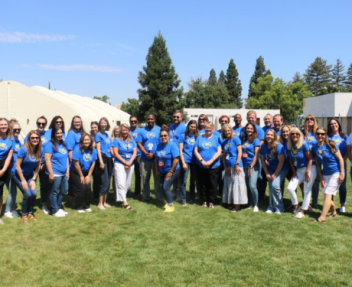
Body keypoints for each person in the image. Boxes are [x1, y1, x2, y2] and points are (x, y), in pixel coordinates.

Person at [312, 127, 344, 223]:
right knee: (327, 197)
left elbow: (341, 159)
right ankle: (334, 212)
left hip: (335, 173)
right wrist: (321, 178)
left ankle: (322, 217)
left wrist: (342, 173)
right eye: (318, 134)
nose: (320, 136)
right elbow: (317, 164)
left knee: (327, 194)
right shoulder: (314, 147)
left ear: (325, 135)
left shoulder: (330, 144)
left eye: (322, 134)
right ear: (315, 135)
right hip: (325, 174)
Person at [286, 127, 316, 218]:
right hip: (299, 170)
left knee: (306, 189)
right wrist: (294, 172)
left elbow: (310, 159)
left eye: (297, 134)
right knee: (290, 188)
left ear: (300, 135)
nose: (295, 135)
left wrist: (307, 171)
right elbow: (291, 160)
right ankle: (296, 207)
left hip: (310, 168)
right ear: (290, 136)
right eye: (292, 134)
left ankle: (303, 211)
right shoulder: (289, 145)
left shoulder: (303, 144)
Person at [13, 130, 42, 222]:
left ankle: (30, 212)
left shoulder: (39, 150)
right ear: (29, 139)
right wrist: (23, 180)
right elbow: (17, 165)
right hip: (18, 174)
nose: (35, 139)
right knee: (28, 194)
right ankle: (24, 214)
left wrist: (33, 179)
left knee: (33, 194)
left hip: (30, 175)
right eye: (32, 138)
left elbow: (38, 167)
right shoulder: (23, 149)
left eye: (36, 138)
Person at [194, 121, 222, 209]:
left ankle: (211, 202)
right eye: (206, 128)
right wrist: (202, 161)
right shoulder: (199, 138)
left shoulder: (217, 138)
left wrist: (210, 161)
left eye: (210, 128)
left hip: (214, 165)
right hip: (201, 165)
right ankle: (204, 201)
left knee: (212, 184)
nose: (208, 129)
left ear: (212, 129)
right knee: (203, 183)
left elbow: (219, 151)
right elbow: (196, 151)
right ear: (204, 129)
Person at [260, 129, 288, 214]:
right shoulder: (263, 146)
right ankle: (271, 206)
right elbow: (262, 160)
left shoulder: (279, 146)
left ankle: (280, 207)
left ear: (274, 136)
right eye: (267, 135)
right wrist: (267, 173)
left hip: (282, 168)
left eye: (271, 135)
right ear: (265, 136)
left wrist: (275, 174)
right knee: (271, 187)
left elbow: (281, 162)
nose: (269, 136)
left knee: (275, 185)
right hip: (270, 169)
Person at [45, 127, 70, 217]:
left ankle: (58, 207)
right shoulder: (50, 144)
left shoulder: (63, 144)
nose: (59, 135)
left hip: (63, 173)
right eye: (57, 133)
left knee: (64, 190)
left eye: (61, 133)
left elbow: (66, 157)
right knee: (54, 192)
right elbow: (47, 159)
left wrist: (67, 170)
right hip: (55, 172)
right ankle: (55, 210)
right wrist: (51, 174)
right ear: (54, 134)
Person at [221, 124, 247, 212]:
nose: (227, 132)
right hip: (228, 167)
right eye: (225, 131)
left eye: (228, 131)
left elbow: (240, 152)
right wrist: (225, 167)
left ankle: (237, 205)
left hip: (237, 166)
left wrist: (237, 164)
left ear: (231, 131)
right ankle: (232, 203)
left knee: (237, 185)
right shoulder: (224, 142)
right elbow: (223, 156)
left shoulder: (236, 139)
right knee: (230, 186)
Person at [136, 114, 162, 202]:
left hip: (156, 158)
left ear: (154, 119)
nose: (150, 120)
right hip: (144, 158)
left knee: (157, 178)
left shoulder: (159, 129)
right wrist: (146, 153)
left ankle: (158, 197)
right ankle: (145, 197)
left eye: (151, 119)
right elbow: (139, 143)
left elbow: (161, 143)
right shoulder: (142, 130)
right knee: (144, 178)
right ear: (146, 120)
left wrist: (153, 154)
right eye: (148, 119)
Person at [155, 125, 180, 213]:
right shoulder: (158, 146)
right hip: (162, 170)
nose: (163, 137)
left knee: (166, 186)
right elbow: (156, 159)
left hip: (172, 170)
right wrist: (157, 170)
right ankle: (166, 202)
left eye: (165, 135)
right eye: (161, 136)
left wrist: (171, 172)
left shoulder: (172, 145)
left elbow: (176, 159)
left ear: (168, 136)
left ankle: (171, 205)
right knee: (161, 186)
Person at [111, 124, 137, 210]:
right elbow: (116, 153)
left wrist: (129, 162)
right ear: (120, 131)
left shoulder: (132, 140)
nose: (125, 132)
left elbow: (134, 153)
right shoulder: (116, 140)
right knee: (121, 183)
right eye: (123, 130)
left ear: (128, 131)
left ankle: (120, 198)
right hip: (119, 164)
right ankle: (125, 203)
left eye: (126, 130)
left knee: (127, 184)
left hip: (130, 164)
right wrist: (125, 162)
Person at [70, 133, 97, 213]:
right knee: (81, 188)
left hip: (86, 172)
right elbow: (76, 163)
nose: (86, 141)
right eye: (85, 140)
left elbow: (93, 163)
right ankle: (79, 206)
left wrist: (88, 175)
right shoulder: (77, 149)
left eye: (88, 140)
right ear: (82, 141)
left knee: (88, 187)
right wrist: (81, 176)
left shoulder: (93, 149)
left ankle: (87, 205)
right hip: (76, 172)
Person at [327, 118, 347, 213]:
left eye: (335, 123)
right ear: (329, 126)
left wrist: (342, 161)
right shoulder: (328, 137)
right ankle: (331, 204)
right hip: (332, 165)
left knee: (342, 185)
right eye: (331, 124)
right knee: (332, 185)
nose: (333, 125)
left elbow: (348, 151)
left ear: (338, 124)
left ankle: (342, 204)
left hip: (343, 164)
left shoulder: (344, 137)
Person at [301, 115, 320, 208]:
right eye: (307, 119)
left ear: (314, 120)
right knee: (305, 182)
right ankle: (306, 202)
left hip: (316, 160)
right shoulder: (302, 132)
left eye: (312, 119)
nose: (309, 120)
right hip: (305, 160)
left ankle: (315, 201)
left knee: (316, 182)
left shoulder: (317, 132)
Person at [4, 120, 22, 218]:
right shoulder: (9, 141)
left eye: (19, 129)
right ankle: (7, 211)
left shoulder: (18, 141)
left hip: (17, 171)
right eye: (15, 130)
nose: (17, 131)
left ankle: (12, 208)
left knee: (14, 191)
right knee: (12, 191)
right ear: (10, 130)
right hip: (10, 170)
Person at [241, 123, 261, 212]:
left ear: (254, 130)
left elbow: (256, 155)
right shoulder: (244, 139)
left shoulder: (256, 140)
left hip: (253, 166)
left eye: (251, 128)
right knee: (247, 185)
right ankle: (250, 203)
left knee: (252, 185)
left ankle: (256, 204)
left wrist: (251, 166)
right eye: (247, 128)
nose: (249, 130)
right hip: (244, 165)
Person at [179, 120, 199, 205]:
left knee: (193, 181)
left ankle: (192, 199)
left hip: (194, 161)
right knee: (184, 180)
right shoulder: (183, 136)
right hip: (186, 160)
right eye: (191, 126)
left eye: (194, 127)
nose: (193, 128)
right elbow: (180, 150)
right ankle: (183, 199)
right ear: (188, 127)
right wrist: (183, 162)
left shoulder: (197, 137)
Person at [94, 117, 112, 210]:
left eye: (105, 123)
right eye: (101, 123)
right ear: (99, 124)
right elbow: (98, 149)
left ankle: (104, 202)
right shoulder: (98, 135)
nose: (103, 124)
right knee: (104, 182)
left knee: (108, 182)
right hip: (103, 160)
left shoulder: (107, 135)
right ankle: (100, 203)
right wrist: (100, 161)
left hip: (109, 160)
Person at [0, 118, 14, 224]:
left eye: (5, 124)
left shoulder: (11, 139)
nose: (3, 126)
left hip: (3, 166)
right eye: (1, 124)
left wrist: (3, 169)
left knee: (0, 193)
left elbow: (9, 157)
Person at [129, 116, 142, 196]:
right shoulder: (127, 131)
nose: (133, 122)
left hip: (138, 155)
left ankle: (137, 192)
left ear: (137, 121)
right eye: (132, 121)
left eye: (135, 121)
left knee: (138, 174)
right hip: (128, 156)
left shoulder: (141, 130)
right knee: (127, 174)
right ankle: (125, 191)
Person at [90, 121, 99, 198]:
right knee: (93, 177)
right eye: (92, 127)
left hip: (99, 159)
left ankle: (98, 194)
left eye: (95, 127)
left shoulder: (100, 135)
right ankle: (95, 195)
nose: (94, 129)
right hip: (91, 159)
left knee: (98, 177)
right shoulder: (89, 136)